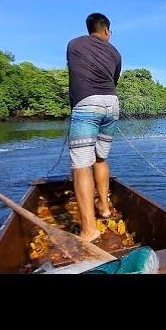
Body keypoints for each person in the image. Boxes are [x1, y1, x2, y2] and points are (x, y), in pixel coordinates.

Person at [66, 13, 122, 242]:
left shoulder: (74, 44)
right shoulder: (116, 52)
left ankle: (89, 229)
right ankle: (106, 208)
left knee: (81, 166)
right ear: (106, 31)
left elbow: (75, 74)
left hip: (87, 105)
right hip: (112, 104)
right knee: (101, 159)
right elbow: (114, 80)